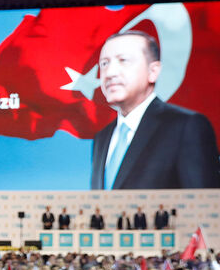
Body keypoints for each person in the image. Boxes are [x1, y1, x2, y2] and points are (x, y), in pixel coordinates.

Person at [90, 30, 220, 189]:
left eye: (123, 60)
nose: (109, 73)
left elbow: (203, 206)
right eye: (104, 63)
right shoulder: (102, 138)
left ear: (153, 71)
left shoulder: (186, 126)